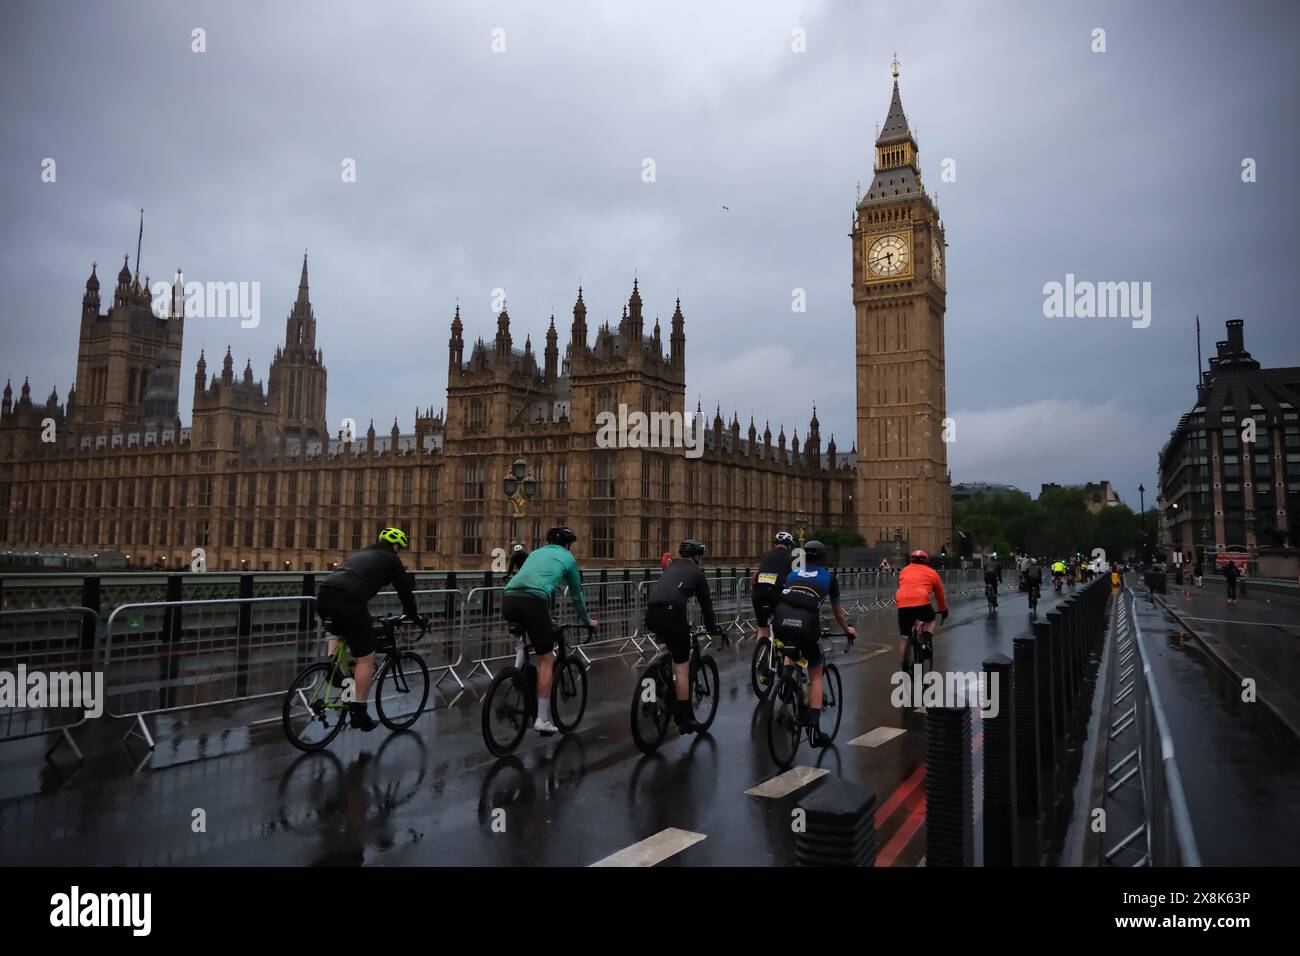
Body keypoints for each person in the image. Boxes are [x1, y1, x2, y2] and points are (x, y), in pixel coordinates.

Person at [316, 527, 428, 732]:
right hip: (349, 601)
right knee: (366, 657)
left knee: (340, 633)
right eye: (400, 548)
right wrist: (416, 618)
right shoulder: (391, 559)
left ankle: (332, 667)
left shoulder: (361, 553)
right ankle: (359, 713)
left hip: (324, 595)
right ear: (395, 546)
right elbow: (405, 593)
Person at [503, 526, 598, 735]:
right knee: (546, 660)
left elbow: (530, 580)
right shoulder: (568, 558)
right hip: (534, 602)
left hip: (508, 597)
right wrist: (587, 620)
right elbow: (576, 596)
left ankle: (516, 673)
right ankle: (542, 719)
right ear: (568, 545)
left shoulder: (535, 552)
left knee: (526, 638)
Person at [771, 540, 857, 747]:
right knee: (816, 672)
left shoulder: (793, 574)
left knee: (791, 650)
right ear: (823, 558)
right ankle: (814, 731)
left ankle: (787, 681)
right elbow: (837, 613)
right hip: (806, 622)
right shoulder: (828, 577)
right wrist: (848, 630)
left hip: (781, 619)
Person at [645, 539, 722, 735]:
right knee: (681, 665)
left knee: (670, 645)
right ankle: (684, 718)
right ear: (697, 557)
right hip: (672, 613)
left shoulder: (670, 568)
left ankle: (657, 679)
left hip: (651, 612)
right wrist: (714, 630)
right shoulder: (697, 573)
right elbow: (706, 606)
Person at [895, 550, 949, 664]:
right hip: (921, 601)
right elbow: (940, 595)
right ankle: (925, 638)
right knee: (930, 620)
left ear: (911, 560)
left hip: (902, 602)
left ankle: (904, 664)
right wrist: (943, 610)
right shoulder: (932, 573)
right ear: (927, 561)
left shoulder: (904, 571)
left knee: (905, 636)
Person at [752, 531, 796, 647]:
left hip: (758, 593)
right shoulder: (791, 559)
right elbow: (794, 580)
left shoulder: (765, 555)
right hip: (776, 593)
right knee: (784, 626)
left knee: (762, 628)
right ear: (789, 545)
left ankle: (760, 660)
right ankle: (783, 655)